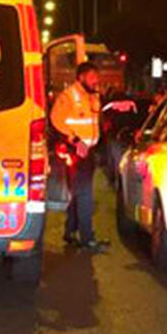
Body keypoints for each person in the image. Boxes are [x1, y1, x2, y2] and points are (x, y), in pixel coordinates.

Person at [51, 63, 136, 251]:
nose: (96, 80)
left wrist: (116, 106)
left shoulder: (93, 96)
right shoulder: (69, 96)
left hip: (90, 151)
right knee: (85, 195)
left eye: (96, 77)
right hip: (76, 152)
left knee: (78, 193)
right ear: (81, 77)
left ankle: (70, 232)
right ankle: (87, 239)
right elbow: (56, 120)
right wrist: (75, 141)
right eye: (92, 77)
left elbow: (99, 114)